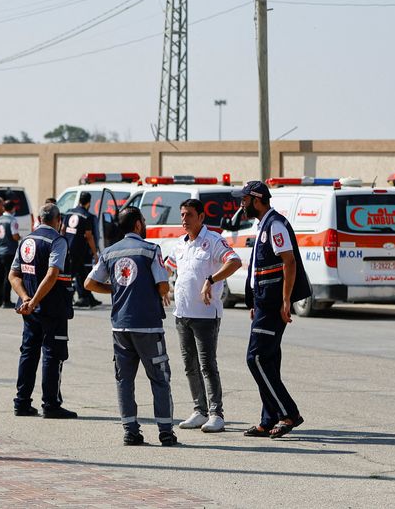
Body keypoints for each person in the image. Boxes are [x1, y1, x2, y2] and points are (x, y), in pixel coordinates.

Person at [85, 206, 178, 446]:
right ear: (137, 225)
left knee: (124, 380)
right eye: (144, 221)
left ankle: (130, 431)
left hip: (120, 328)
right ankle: (166, 432)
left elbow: (89, 283)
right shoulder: (150, 250)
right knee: (159, 378)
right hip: (147, 326)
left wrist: (115, 290)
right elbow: (163, 286)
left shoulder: (109, 252)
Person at [233, 180, 311, 439]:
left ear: (256, 200)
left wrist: (286, 301)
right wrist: (254, 301)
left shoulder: (275, 225)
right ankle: (268, 420)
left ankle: (288, 413)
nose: (241, 204)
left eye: (244, 200)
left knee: (255, 358)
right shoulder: (263, 225)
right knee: (269, 360)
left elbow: (289, 262)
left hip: (273, 305)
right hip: (263, 303)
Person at [164, 199, 242, 433]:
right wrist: (159, 286)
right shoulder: (180, 244)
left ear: (201, 217)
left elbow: (235, 261)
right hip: (182, 314)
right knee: (189, 365)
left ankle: (216, 414)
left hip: (206, 315)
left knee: (207, 365)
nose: (184, 219)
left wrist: (211, 280)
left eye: (189, 215)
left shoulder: (214, 241)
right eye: (182, 215)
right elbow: (166, 267)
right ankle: (199, 410)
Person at [9, 203, 77, 419]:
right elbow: (52, 274)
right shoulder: (57, 241)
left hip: (30, 310)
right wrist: (35, 301)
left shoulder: (26, 241)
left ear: (38, 219)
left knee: (28, 353)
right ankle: (51, 404)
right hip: (52, 308)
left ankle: (22, 402)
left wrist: (26, 299)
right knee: (52, 354)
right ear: (58, 221)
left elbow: (13, 275)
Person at [61, 191, 101, 308]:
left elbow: (63, 230)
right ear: (89, 202)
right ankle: (68, 297)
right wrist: (95, 253)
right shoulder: (86, 216)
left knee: (78, 274)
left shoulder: (69, 213)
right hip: (80, 251)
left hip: (68, 248)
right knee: (76, 274)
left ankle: (87, 297)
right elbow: (89, 236)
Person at [0, 199, 20, 308]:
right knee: (9, 277)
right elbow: (14, 236)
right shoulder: (12, 220)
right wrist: (21, 238)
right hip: (10, 251)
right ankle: (6, 300)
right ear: (13, 208)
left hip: (0, 251)